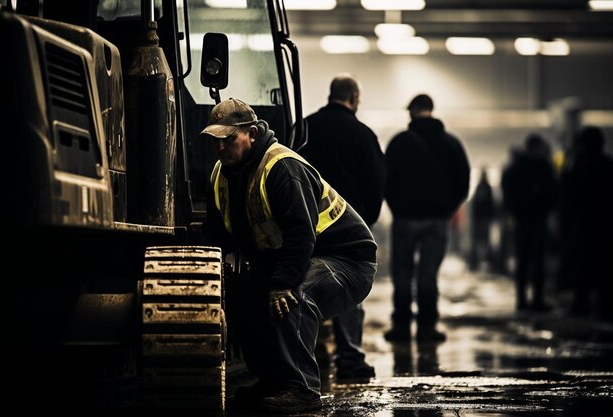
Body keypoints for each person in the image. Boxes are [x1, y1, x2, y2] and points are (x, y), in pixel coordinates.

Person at [201, 98, 377, 413]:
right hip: (304, 257)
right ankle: (272, 381)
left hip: (347, 261)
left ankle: (303, 388)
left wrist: (281, 283)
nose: (220, 147)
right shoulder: (221, 175)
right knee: (243, 297)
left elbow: (301, 234)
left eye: (229, 139)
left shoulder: (281, 166)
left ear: (251, 134)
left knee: (292, 296)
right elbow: (217, 233)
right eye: (215, 140)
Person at [299, 73, 385, 381]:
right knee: (347, 290)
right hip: (346, 229)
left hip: (305, 225)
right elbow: (376, 183)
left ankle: (310, 352)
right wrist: (366, 221)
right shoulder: (363, 135)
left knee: (303, 283)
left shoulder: (304, 128)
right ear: (353, 98)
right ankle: (349, 357)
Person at [384, 94, 470, 342]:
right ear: (432, 110)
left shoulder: (400, 143)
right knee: (428, 274)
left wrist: (396, 207)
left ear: (412, 111)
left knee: (402, 273)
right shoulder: (451, 143)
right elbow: (463, 183)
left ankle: (401, 327)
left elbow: (385, 179)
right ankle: (427, 328)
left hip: (404, 219)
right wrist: (446, 209)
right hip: (436, 220)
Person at [560, 126, 613, 322]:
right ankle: (606, 307)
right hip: (607, 226)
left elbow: (568, 198)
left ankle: (581, 304)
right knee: (606, 267)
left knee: (583, 266)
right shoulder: (609, 165)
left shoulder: (578, 167)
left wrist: (565, 225)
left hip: (583, 226)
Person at [501, 133, 558, 312]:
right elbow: (554, 192)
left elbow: (507, 191)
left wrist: (514, 211)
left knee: (523, 260)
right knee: (537, 261)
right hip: (538, 220)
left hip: (522, 220)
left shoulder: (515, 167)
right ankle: (537, 300)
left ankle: (522, 300)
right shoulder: (543, 166)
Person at [468, 167, 495, 271]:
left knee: (481, 241)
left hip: (481, 219)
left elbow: (478, 205)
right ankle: (480, 261)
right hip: (482, 219)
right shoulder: (485, 187)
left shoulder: (482, 187)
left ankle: (478, 261)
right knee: (482, 241)